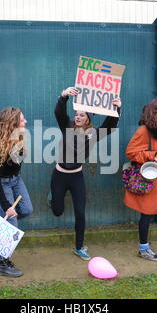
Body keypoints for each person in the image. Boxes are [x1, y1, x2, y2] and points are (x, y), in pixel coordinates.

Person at [49, 87, 121, 261]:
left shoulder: (93, 134)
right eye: (77, 114)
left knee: (80, 213)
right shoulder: (66, 126)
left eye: (82, 115)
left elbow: (109, 126)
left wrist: (117, 108)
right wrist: (63, 96)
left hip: (76, 177)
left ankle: (79, 247)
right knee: (57, 211)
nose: (78, 117)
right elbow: (59, 112)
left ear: (88, 118)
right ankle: (53, 198)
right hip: (59, 175)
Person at [124, 97, 157, 262]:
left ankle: (144, 247)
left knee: (149, 213)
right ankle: (143, 249)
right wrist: (150, 155)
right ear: (152, 114)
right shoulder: (144, 130)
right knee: (146, 213)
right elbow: (130, 152)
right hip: (149, 179)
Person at [0, 107, 33, 277]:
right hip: (2, 184)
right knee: (11, 224)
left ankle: (4, 226)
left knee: (27, 210)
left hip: (16, 179)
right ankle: (3, 262)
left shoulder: (20, 137)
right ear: (13, 123)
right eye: (22, 120)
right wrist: (7, 206)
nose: (26, 122)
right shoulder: (0, 147)